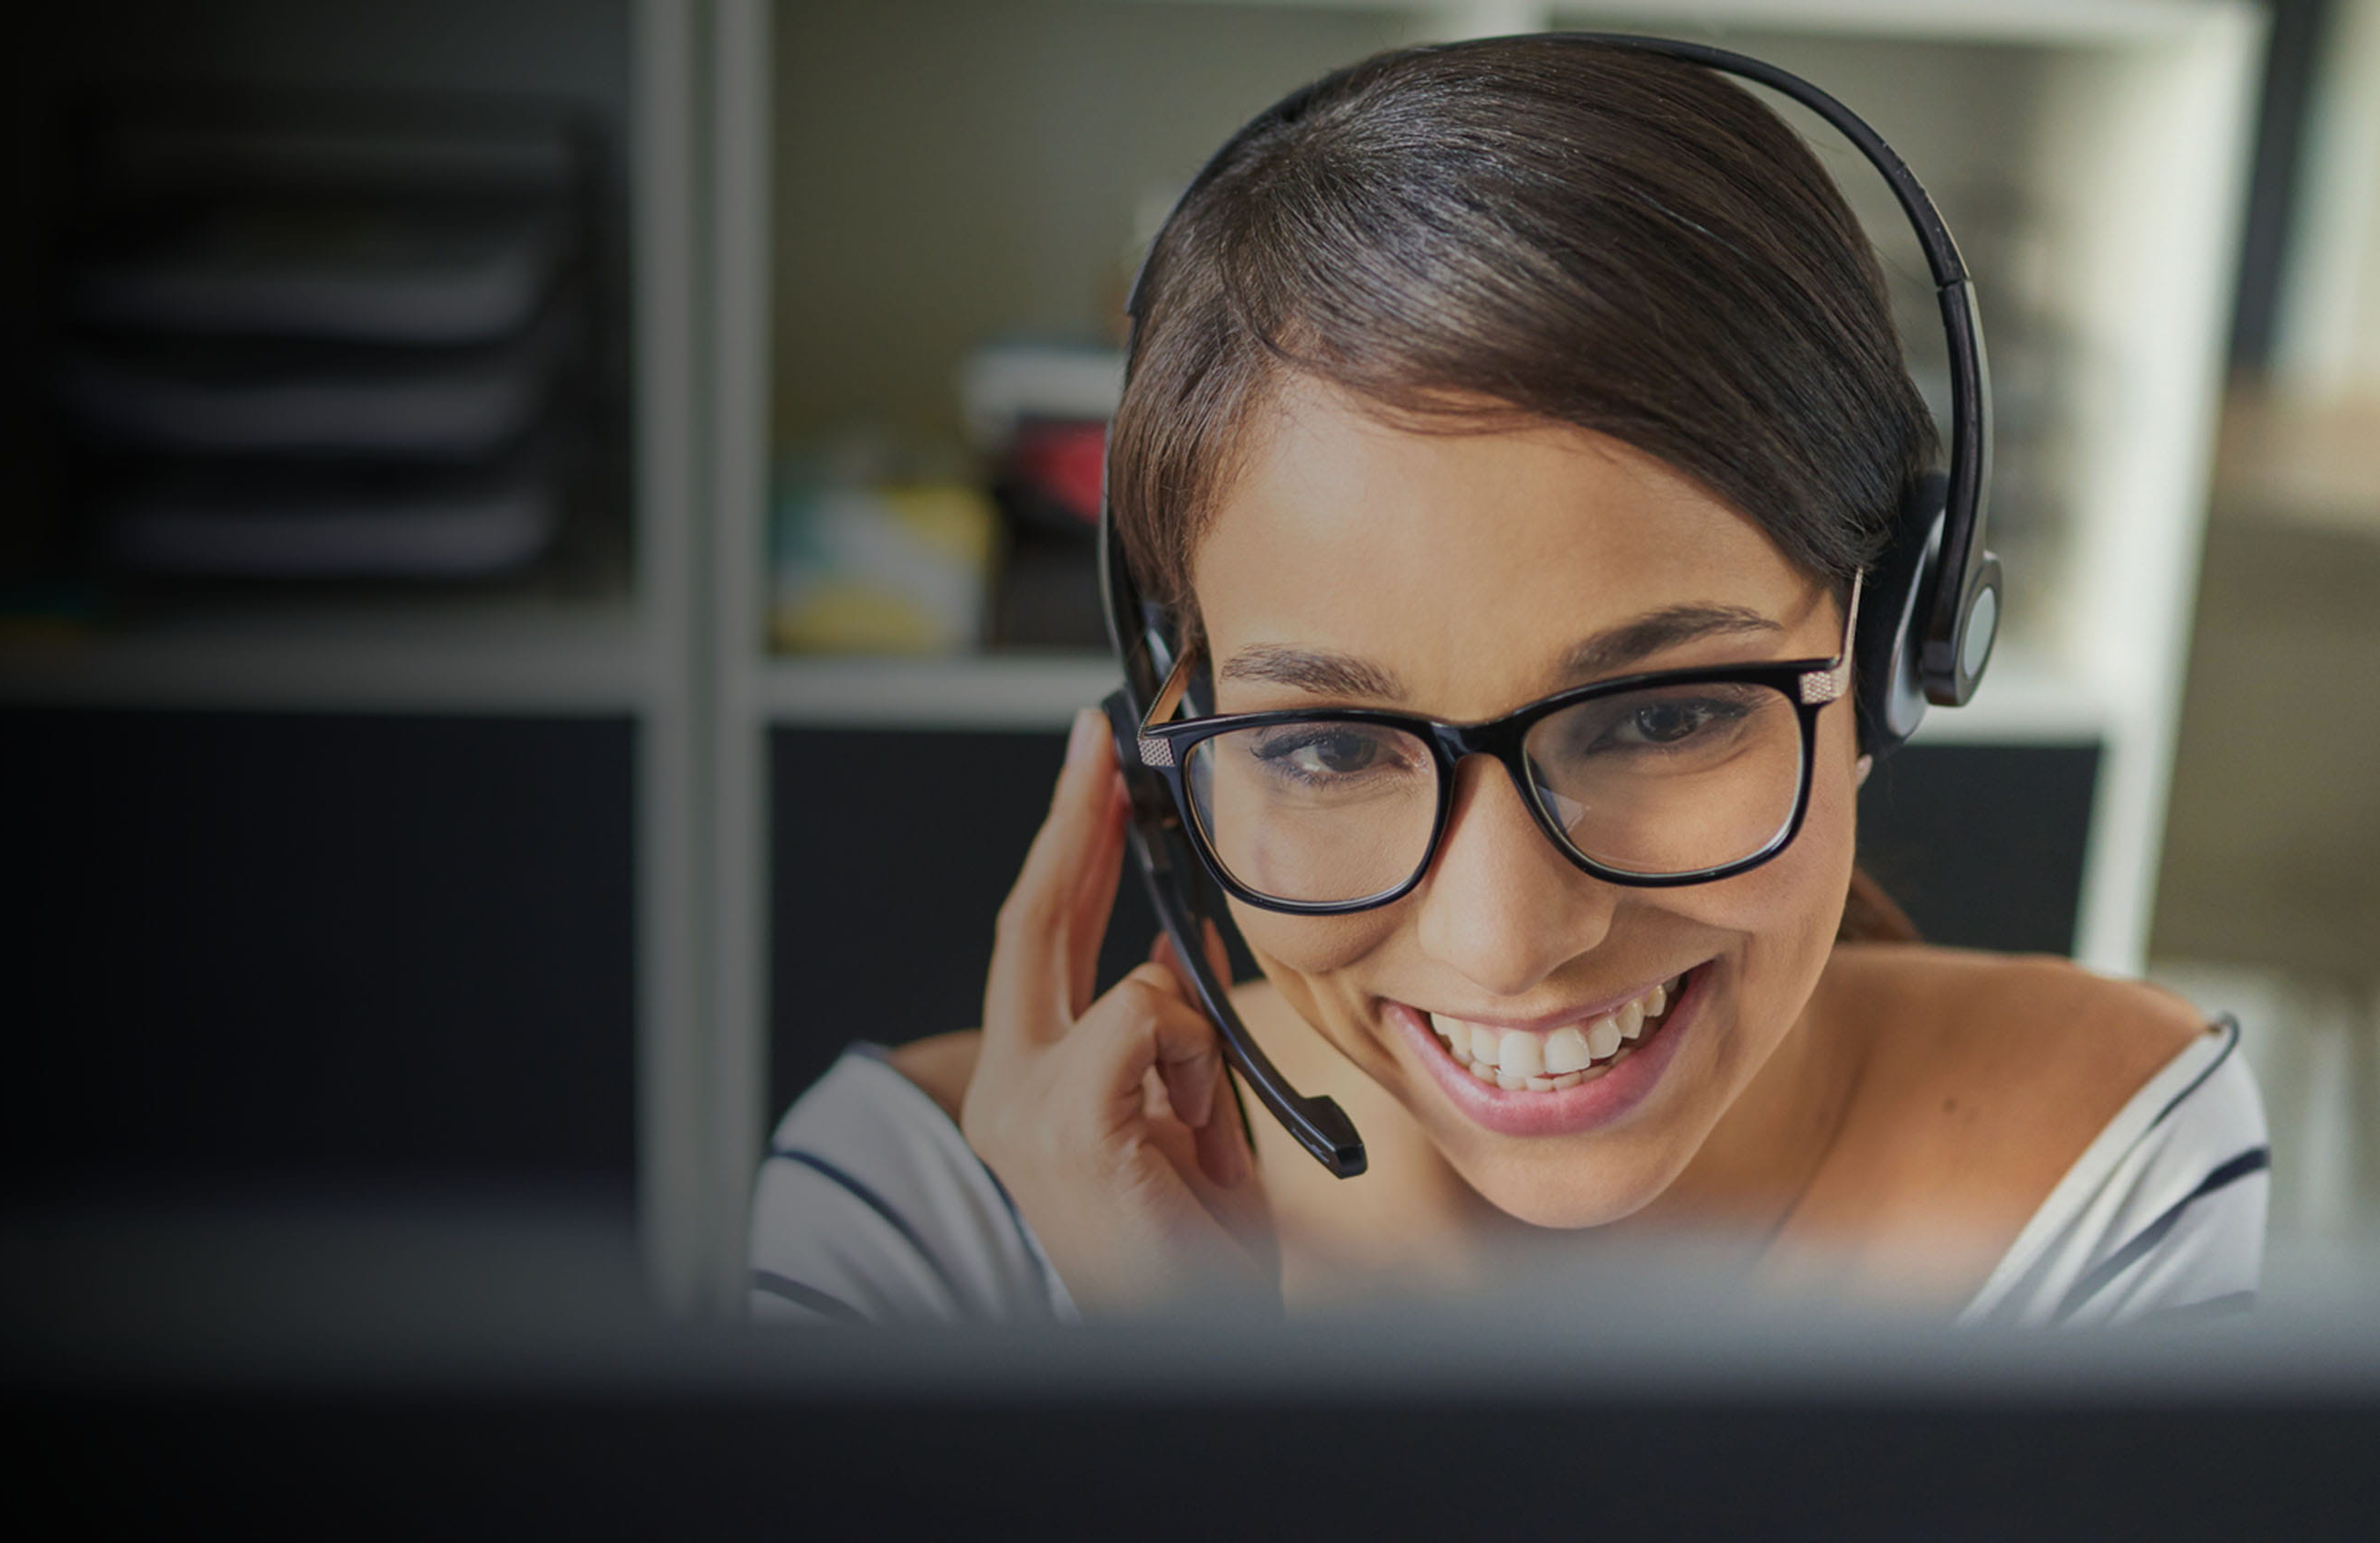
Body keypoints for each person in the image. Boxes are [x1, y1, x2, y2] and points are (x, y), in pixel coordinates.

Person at [747, 37, 2267, 1328]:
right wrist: (1164, 1376)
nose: (1509, 943)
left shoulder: (2108, 1166)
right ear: (1169, 741)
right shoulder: (926, 1224)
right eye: (1331, 747)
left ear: (1890, 656)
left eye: (1664, 715)